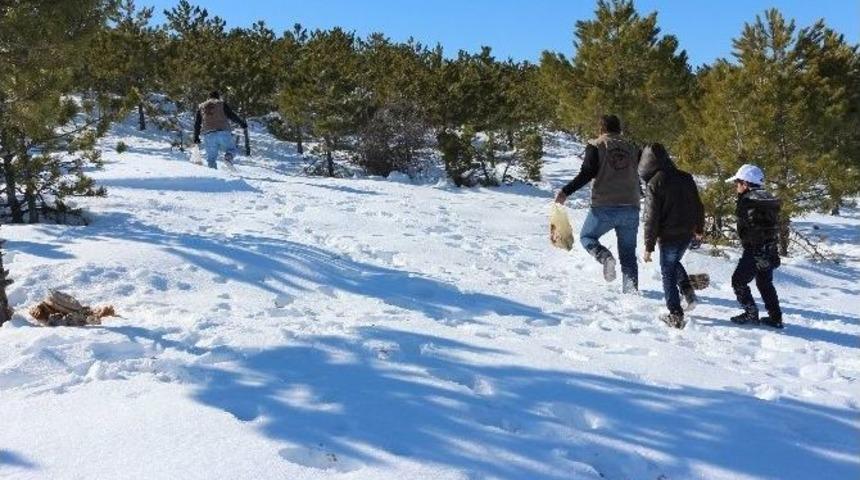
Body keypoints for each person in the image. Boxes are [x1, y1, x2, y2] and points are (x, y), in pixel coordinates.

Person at [555, 115, 641, 293]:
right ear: (619, 129)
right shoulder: (633, 148)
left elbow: (586, 173)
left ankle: (605, 257)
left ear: (601, 129)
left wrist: (565, 192)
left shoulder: (597, 145)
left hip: (604, 205)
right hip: (631, 206)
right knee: (628, 254)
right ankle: (631, 290)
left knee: (587, 237)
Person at [639, 143, 704, 328]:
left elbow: (651, 218)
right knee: (673, 262)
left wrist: (648, 247)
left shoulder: (654, 183)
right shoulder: (686, 177)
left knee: (667, 271)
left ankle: (675, 314)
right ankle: (688, 292)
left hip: (668, 236)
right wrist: (699, 228)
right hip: (686, 234)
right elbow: (698, 205)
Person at [726, 164, 783, 328]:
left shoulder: (748, 201)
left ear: (745, 183)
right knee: (764, 283)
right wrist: (771, 251)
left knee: (738, 281)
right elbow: (770, 227)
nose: (736, 186)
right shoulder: (767, 197)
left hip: (755, 249)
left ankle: (751, 314)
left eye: (737, 183)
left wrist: (758, 252)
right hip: (769, 248)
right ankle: (775, 317)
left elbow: (754, 228)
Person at [193, 91, 247, 169]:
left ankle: (214, 177)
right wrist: (242, 123)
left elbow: (197, 123)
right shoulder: (221, 103)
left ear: (208, 97)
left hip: (208, 134)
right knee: (232, 150)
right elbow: (231, 115)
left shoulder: (201, 106)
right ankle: (228, 158)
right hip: (223, 132)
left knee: (211, 159)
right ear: (218, 97)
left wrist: (196, 137)